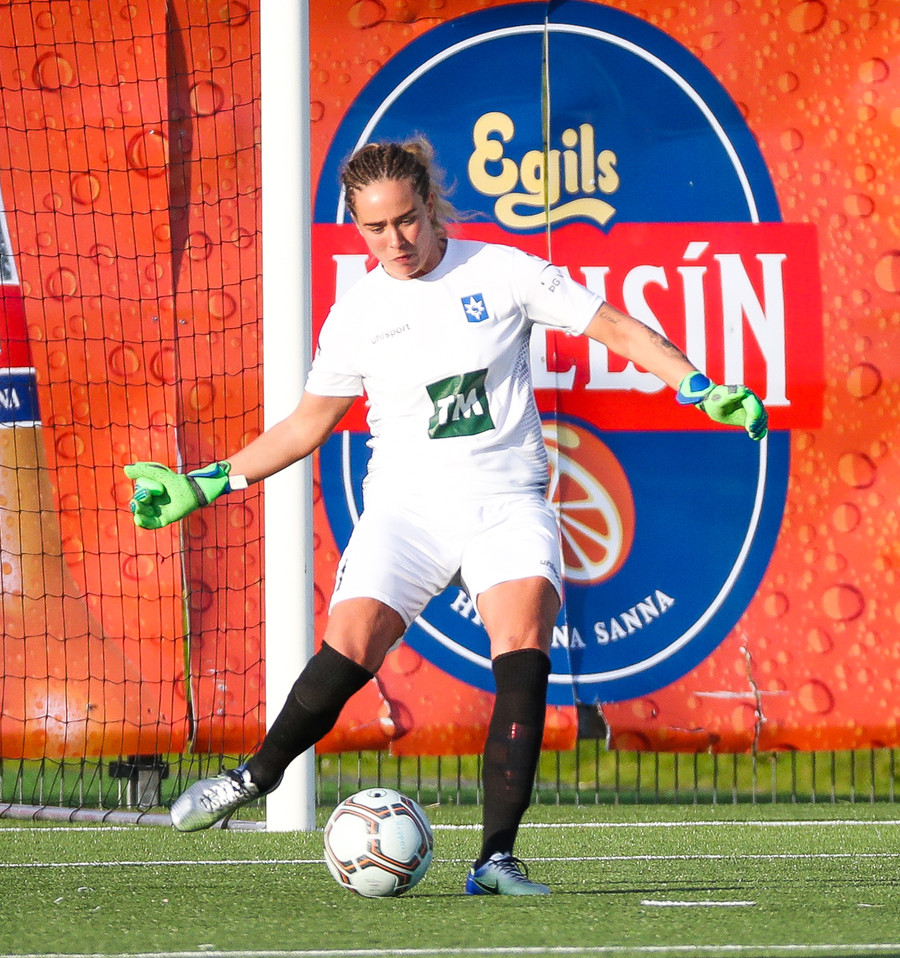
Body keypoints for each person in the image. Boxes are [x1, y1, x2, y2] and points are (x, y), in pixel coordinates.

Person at [125, 137, 767, 896]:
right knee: (351, 645)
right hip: (406, 510)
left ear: (431, 207)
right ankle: (253, 778)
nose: (393, 240)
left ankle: (495, 858)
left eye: (405, 220)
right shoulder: (357, 314)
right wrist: (205, 484)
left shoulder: (503, 272)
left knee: (523, 647)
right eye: (374, 228)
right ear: (357, 228)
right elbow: (305, 426)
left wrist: (697, 385)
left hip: (508, 504)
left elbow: (617, 329)